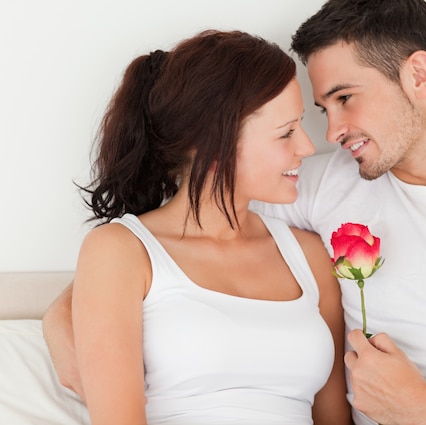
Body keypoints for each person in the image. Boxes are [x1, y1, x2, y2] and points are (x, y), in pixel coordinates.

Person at [45, 0, 426, 424]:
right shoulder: (319, 188)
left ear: (419, 75)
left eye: (346, 98)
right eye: (323, 109)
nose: (332, 132)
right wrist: (63, 315)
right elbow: (182, 241)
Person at [43, 29, 351, 425]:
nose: (308, 147)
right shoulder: (121, 251)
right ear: (212, 146)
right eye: (286, 132)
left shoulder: (308, 255)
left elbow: (333, 417)